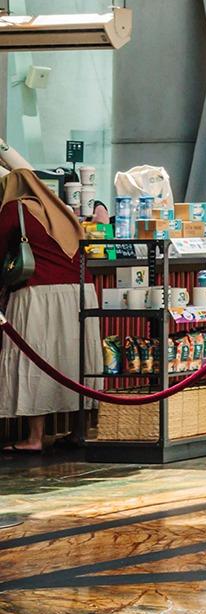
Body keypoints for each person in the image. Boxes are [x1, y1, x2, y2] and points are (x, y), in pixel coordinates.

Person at [0, 166, 95, 450]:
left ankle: (35, 437)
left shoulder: (14, 209)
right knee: (73, 360)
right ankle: (79, 431)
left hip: (38, 293)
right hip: (81, 292)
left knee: (35, 357)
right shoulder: (61, 211)